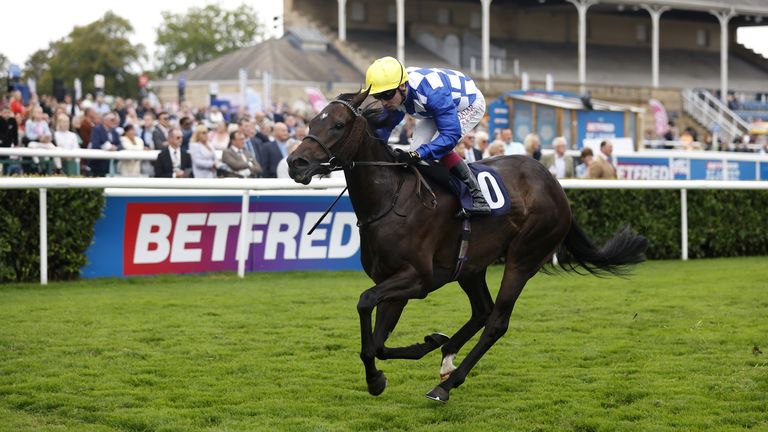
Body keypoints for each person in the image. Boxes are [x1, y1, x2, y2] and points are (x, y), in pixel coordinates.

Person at [365, 56, 490, 214]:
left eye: (387, 95)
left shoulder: (432, 94)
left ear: (402, 86)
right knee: (417, 149)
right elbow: (384, 129)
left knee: (433, 148)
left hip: (468, 103)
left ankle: (478, 197)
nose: (383, 102)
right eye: (378, 96)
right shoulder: (396, 94)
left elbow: (449, 136)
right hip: (435, 109)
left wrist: (418, 154)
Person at [88, 112, 122, 177]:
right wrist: (107, 147)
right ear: (105, 120)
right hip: (98, 165)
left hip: (111, 165)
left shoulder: (115, 132)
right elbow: (95, 145)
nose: (114, 121)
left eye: (114, 120)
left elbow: (121, 145)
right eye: (112, 120)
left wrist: (115, 147)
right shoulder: (96, 129)